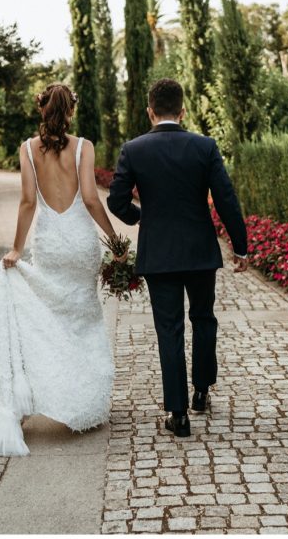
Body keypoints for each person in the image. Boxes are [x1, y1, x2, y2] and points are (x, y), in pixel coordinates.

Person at [0, 83, 118, 456]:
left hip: (51, 244)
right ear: (70, 111)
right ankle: (84, 398)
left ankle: (53, 393)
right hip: (81, 245)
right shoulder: (83, 147)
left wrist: (17, 248)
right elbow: (89, 199)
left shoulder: (26, 149)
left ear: (42, 111)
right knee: (84, 319)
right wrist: (114, 239)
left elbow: (26, 203)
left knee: (52, 317)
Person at [107, 78, 249, 437]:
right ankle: (201, 391)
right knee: (204, 319)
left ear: (150, 111)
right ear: (182, 110)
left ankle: (178, 413)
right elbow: (227, 200)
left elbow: (116, 201)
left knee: (168, 330)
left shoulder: (133, 149)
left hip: (160, 255)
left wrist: (143, 217)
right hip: (200, 251)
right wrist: (241, 245)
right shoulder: (204, 146)